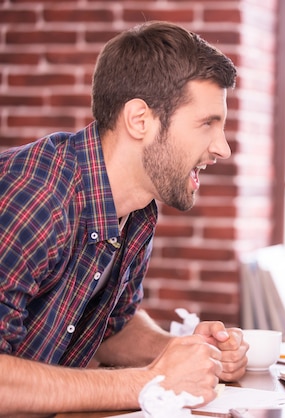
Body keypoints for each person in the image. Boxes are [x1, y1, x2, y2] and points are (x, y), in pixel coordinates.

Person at [0, 21, 249, 415]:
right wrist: (152, 383)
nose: (223, 148)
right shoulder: (38, 197)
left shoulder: (135, 208)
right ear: (140, 120)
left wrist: (183, 354)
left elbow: (109, 327)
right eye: (206, 124)